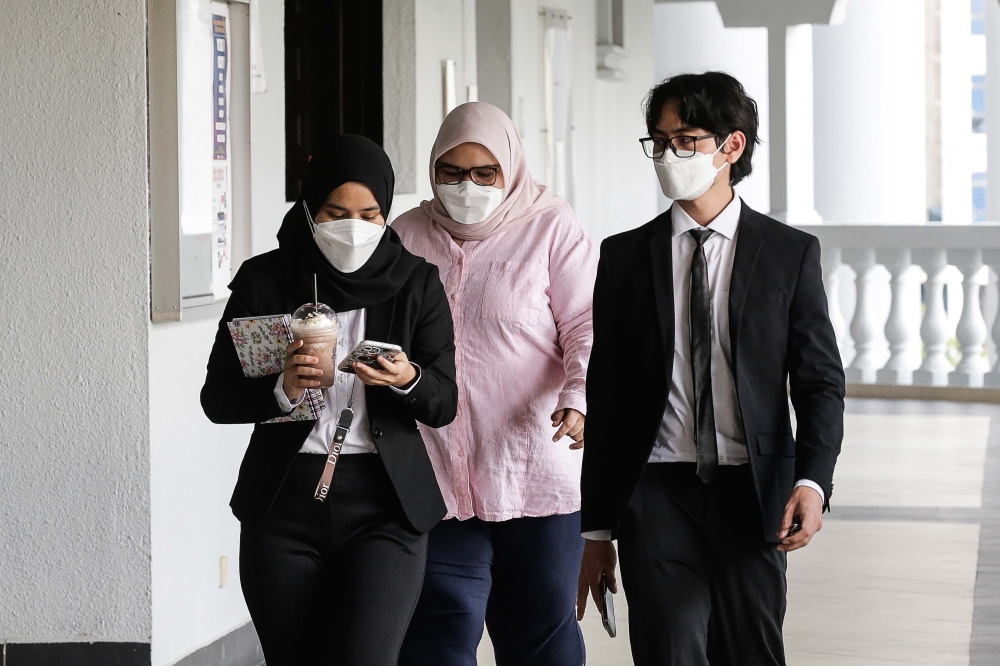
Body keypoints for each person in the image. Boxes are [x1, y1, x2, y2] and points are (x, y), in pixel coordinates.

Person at [577, 72, 845, 665]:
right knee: (670, 650)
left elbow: (819, 380)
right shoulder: (623, 257)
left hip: (755, 491)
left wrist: (812, 481)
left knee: (750, 651)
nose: (670, 155)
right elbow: (609, 392)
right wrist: (596, 531)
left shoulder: (787, 254)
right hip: (655, 490)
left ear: (732, 146)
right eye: (660, 140)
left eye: (687, 139)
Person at [200, 135, 457, 666]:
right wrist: (282, 388)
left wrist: (407, 378)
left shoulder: (416, 283)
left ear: (387, 213)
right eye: (336, 212)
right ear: (309, 211)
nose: (353, 226)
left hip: (384, 504)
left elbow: (443, 403)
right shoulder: (265, 279)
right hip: (283, 503)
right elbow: (218, 398)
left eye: (369, 213)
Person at [392, 102, 599, 666]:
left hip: (533, 471)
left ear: (510, 170)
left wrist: (578, 395)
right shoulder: (407, 234)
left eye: (485, 174)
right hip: (434, 475)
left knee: (539, 633)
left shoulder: (551, 227)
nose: (467, 187)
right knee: (436, 633)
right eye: (451, 173)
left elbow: (585, 325)